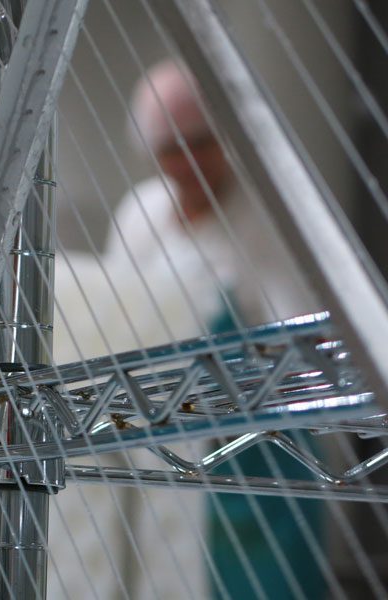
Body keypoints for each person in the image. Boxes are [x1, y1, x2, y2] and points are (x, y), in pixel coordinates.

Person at [104, 59, 325, 599]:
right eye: (171, 148)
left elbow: (303, 343)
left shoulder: (268, 213)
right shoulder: (140, 214)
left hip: (267, 458)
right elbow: (112, 319)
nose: (188, 161)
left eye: (200, 141)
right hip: (164, 439)